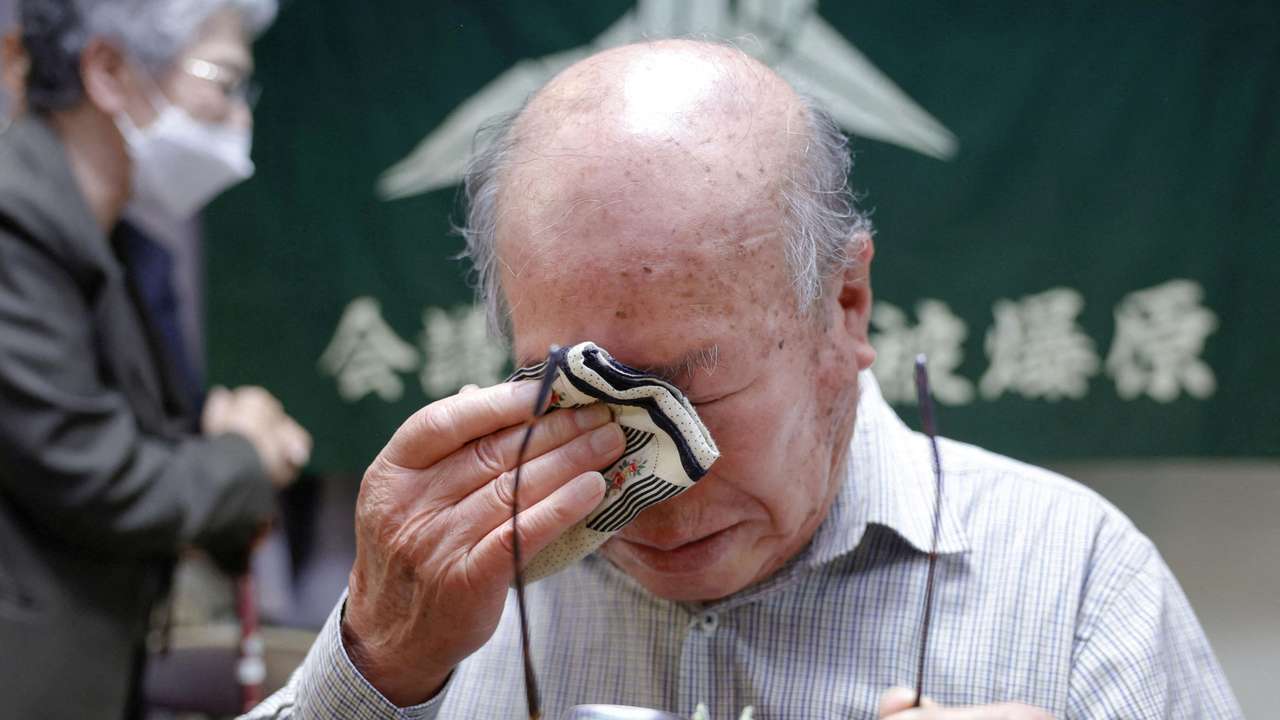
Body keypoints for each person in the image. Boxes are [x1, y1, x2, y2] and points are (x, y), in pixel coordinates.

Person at [244, 40, 1241, 719]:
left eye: (689, 391)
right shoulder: (447, 606)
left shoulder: (1073, 584)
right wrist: (370, 667)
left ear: (844, 308)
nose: (653, 483)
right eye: (582, 398)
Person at [0, 1, 311, 717]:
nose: (239, 120)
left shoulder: (121, 244)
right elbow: (99, 477)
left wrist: (218, 438)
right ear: (108, 71)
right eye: (224, 84)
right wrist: (243, 454)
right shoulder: (16, 226)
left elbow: (153, 442)